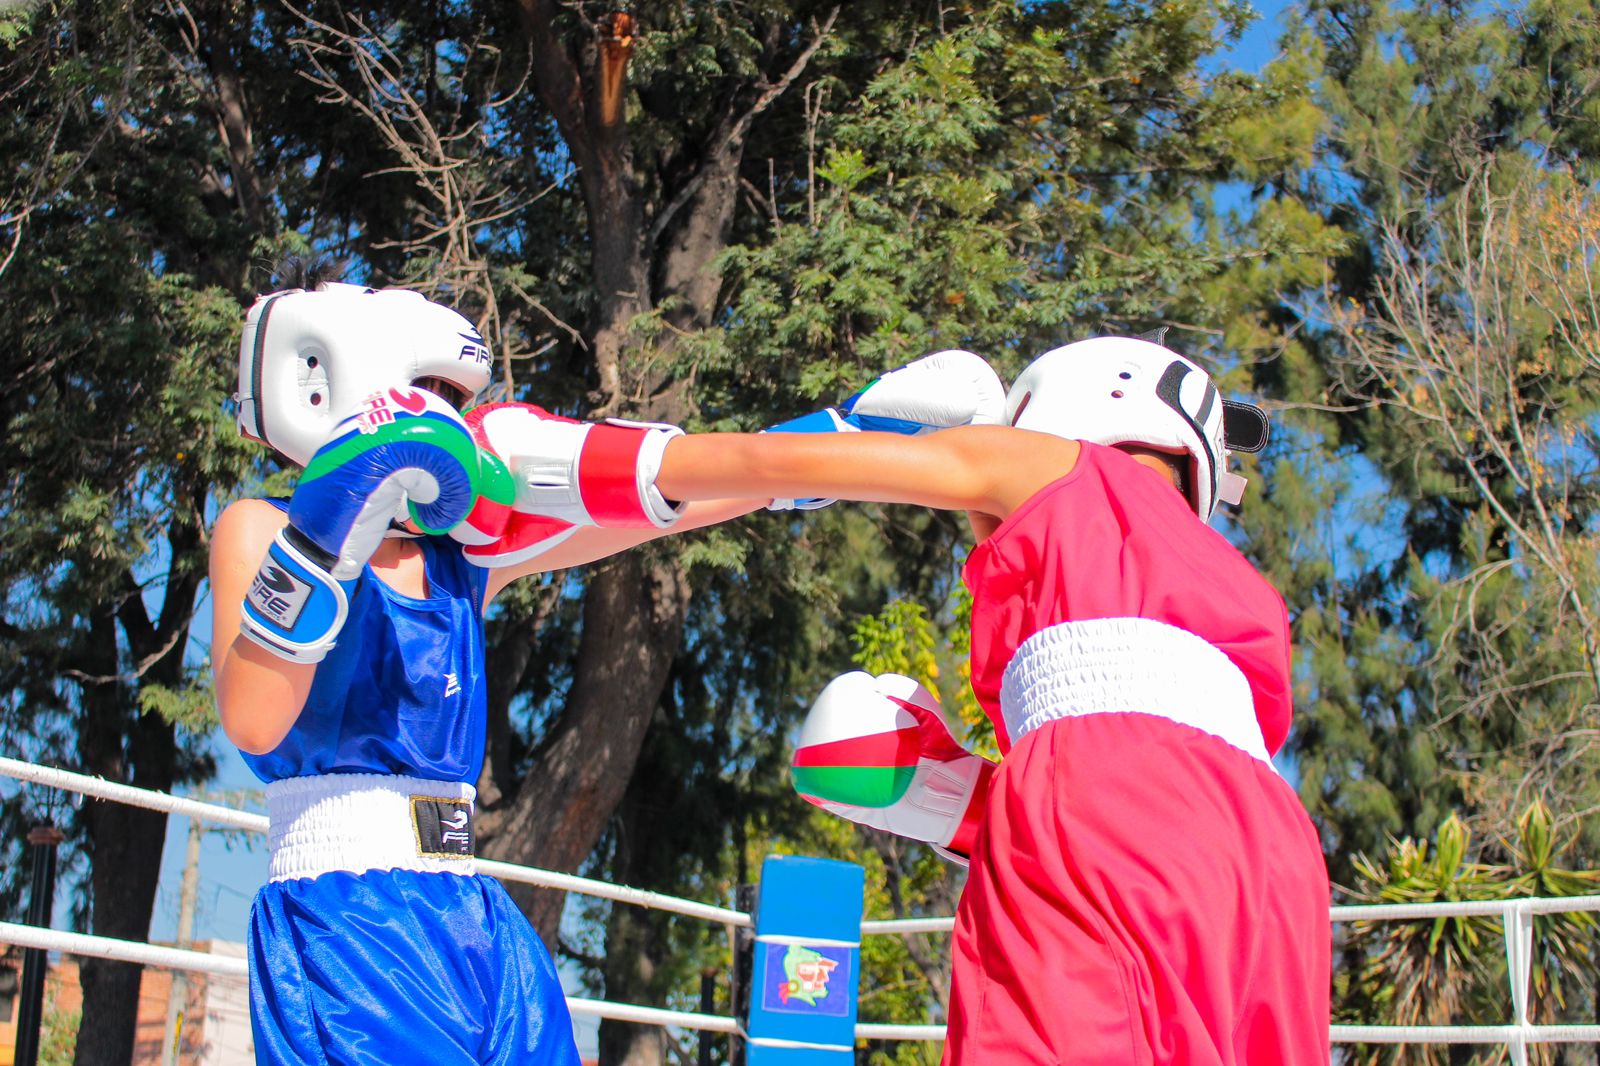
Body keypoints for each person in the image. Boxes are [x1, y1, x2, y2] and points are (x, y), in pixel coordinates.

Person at [208, 263, 1004, 1064]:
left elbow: (659, 504)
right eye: (435, 399)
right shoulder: (258, 528)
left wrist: (842, 437)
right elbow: (253, 717)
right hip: (347, 923)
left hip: (470, 912)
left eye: (456, 404)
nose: (452, 425)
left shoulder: (464, 561)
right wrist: (328, 528)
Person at [513, 335, 1331, 1064]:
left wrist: (584, 457)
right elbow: (1187, 794)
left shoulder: (1047, 466)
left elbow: (792, 466)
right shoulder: (1249, 591)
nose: (981, 532)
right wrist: (965, 803)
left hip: (1100, 794)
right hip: (1277, 861)